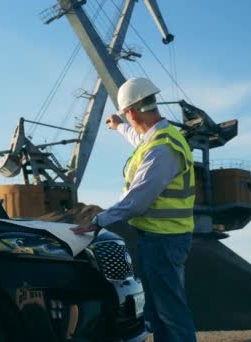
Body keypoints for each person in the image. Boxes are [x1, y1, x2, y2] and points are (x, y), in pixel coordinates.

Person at [71, 77, 197, 341]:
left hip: (164, 241)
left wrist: (98, 221)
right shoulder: (159, 137)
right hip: (160, 239)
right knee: (159, 312)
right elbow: (138, 138)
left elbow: (136, 200)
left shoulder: (162, 149)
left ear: (130, 111)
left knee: (171, 314)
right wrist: (118, 127)